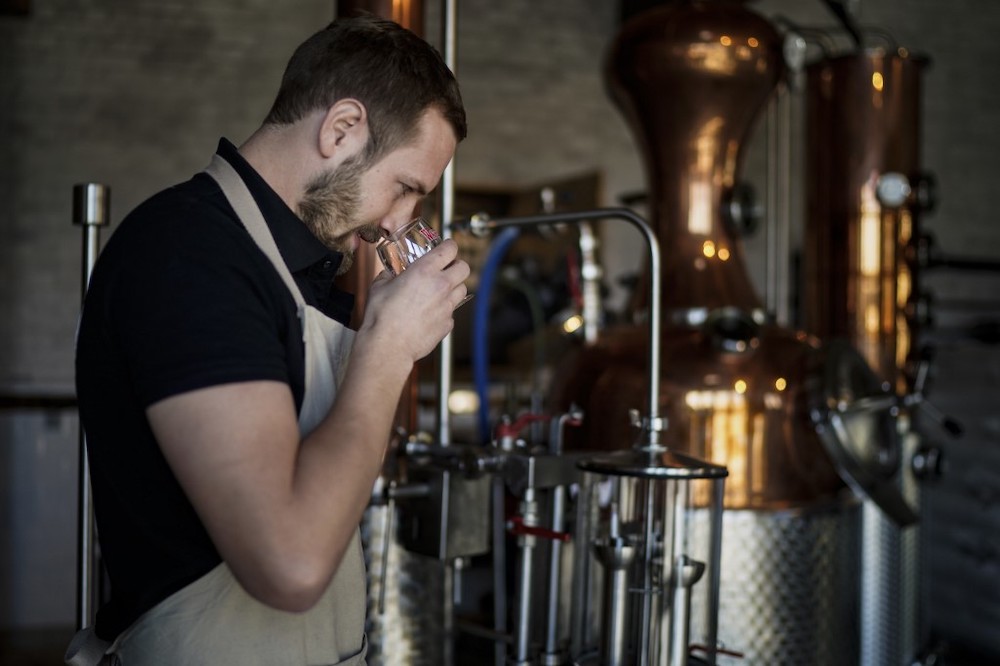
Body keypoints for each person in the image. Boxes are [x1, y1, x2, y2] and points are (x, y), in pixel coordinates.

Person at [70, 14, 468, 666]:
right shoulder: (190, 255)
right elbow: (290, 565)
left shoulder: (290, 270)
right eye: (405, 189)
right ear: (342, 129)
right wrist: (389, 348)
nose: (396, 224)